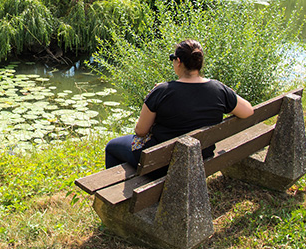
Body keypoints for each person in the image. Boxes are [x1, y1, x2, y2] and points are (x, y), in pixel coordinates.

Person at [105, 39, 254, 169]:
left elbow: (141, 131)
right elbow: (248, 111)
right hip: (201, 160)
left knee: (111, 147)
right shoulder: (218, 89)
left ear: (179, 62)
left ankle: (117, 195)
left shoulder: (162, 91)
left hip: (160, 165)